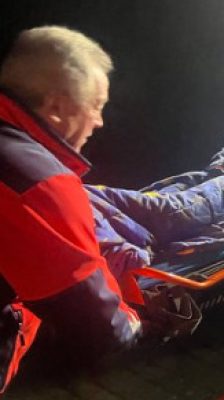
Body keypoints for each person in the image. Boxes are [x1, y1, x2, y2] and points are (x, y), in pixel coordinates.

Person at [0, 26, 141, 390]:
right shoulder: (39, 183)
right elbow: (99, 325)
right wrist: (135, 320)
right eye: (96, 105)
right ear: (57, 106)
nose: (99, 121)